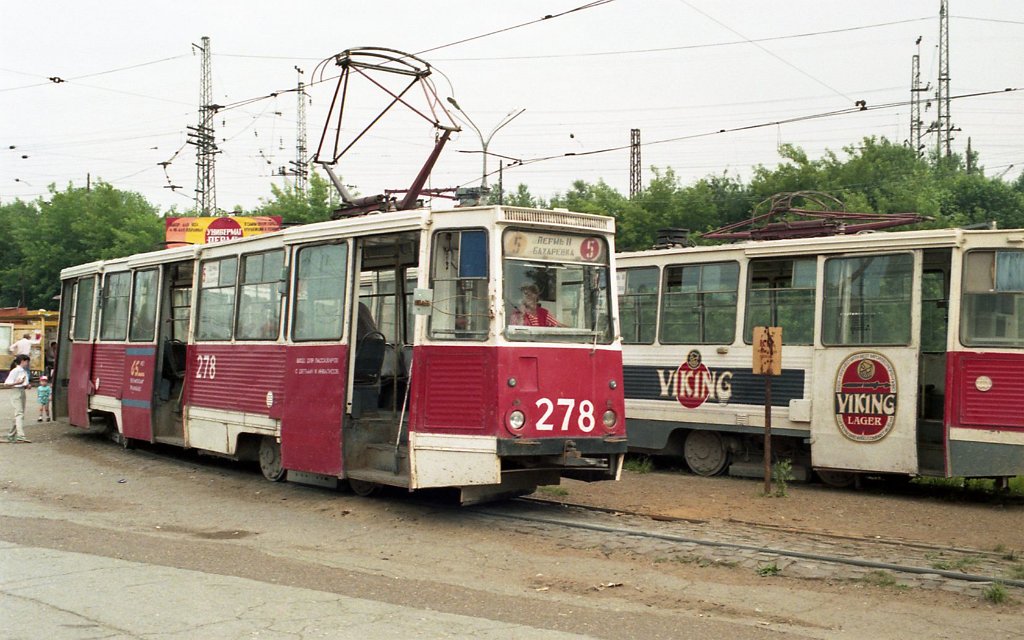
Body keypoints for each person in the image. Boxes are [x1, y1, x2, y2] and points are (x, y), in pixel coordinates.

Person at [3, 354, 32, 443]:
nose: (27, 363)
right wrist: (17, 383)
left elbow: (24, 383)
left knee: (19, 413)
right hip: (16, 391)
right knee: (19, 413)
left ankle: (11, 435)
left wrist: (27, 385)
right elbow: (6, 383)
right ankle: (20, 435)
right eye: (26, 361)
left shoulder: (23, 371)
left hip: (22, 390)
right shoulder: (15, 371)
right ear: (22, 361)